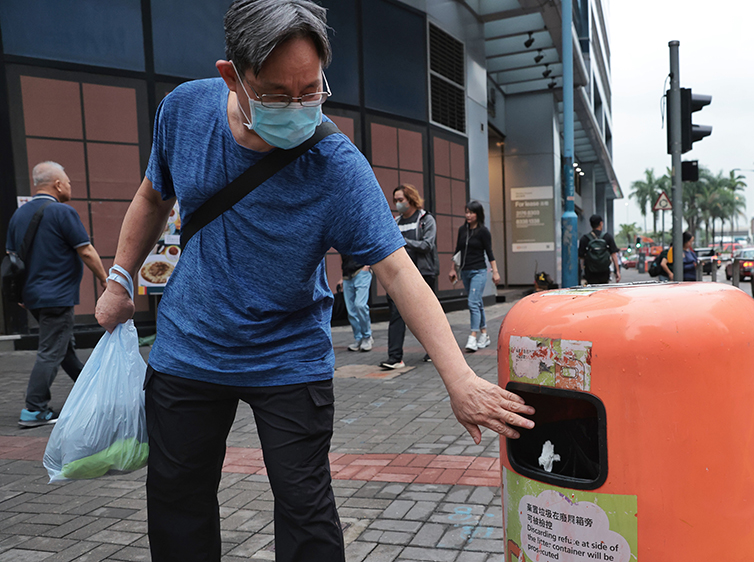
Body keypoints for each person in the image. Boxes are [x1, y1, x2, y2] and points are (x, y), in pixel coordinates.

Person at [93, 3, 533, 560]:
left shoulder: (335, 165)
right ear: (233, 75)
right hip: (190, 347)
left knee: (307, 510)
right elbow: (153, 196)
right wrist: (117, 279)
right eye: (278, 94)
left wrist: (459, 378)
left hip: (288, 354)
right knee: (177, 502)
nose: (298, 108)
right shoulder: (184, 110)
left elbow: (396, 270)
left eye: (312, 91)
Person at [6, 161, 107, 428]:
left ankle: (91, 393)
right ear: (58, 184)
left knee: (64, 348)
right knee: (52, 350)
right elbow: (85, 250)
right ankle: (34, 409)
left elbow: (12, 258)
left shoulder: (19, 215)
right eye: (69, 181)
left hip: (33, 298)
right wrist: (106, 281)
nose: (70, 186)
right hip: (56, 296)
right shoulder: (62, 212)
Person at [380, 184, 438, 368]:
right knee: (396, 315)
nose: (397, 204)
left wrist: (402, 241)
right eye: (395, 200)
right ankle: (395, 357)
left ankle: (434, 351)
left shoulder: (425, 219)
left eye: (401, 200)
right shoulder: (395, 222)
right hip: (399, 276)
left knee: (427, 314)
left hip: (423, 274)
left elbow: (427, 245)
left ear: (411, 200)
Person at [448, 200, 501, 352]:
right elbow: (457, 251)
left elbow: (489, 253)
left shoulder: (483, 232)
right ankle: (484, 335)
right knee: (477, 302)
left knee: (472, 302)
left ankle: (473, 336)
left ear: (478, 214)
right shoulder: (462, 230)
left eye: (471, 212)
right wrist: (453, 269)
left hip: (479, 271)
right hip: (465, 271)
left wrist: (495, 271)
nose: (468, 215)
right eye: (466, 212)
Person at [340, 254, 372, 352]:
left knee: (360, 305)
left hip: (361, 271)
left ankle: (367, 336)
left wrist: (367, 266)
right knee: (351, 310)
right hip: (347, 275)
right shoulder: (341, 240)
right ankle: (358, 338)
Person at [578, 214, 620, 285]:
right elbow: (614, 255)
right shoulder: (607, 237)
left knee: (592, 291)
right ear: (601, 223)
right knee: (603, 290)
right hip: (604, 272)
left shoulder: (585, 238)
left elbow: (580, 256)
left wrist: (581, 272)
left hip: (590, 272)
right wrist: (617, 272)